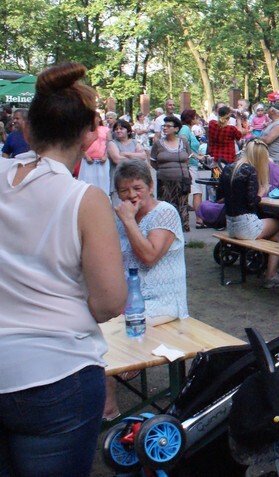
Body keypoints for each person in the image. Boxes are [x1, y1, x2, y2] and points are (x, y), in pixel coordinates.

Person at [0, 63, 127, 476]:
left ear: (28, 129)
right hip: (58, 372)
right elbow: (110, 301)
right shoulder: (85, 200)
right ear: (92, 133)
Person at [105, 159, 189, 419]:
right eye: (124, 191)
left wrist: (129, 221)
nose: (131, 196)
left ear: (151, 186)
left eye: (137, 188)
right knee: (89, 316)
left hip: (161, 303)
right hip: (128, 298)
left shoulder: (164, 212)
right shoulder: (120, 216)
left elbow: (149, 256)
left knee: (101, 333)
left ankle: (108, 407)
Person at [218, 140, 279, 289]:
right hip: (246, 226)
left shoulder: (228, 168)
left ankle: (270, 272)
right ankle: (270, 276)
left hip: (230, 225)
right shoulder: (250, 171)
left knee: (278, 236)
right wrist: (262, 191)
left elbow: (219, 198)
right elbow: (252, 203)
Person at [150, 114, 192, 231]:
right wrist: (165, 170)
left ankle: (181, 234)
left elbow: (187, 159)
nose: (165, 128)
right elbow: (153, 162)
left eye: (168, 126)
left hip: (182, 180)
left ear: (176, 129)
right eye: (164, 126)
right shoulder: (158, 144)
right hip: (164, 182)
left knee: (182, 206)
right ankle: (166, 233)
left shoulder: (183, 142)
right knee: (165, 207)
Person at [78, 115, 112, 196]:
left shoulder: (105, 129)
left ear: (99, 118)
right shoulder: (85, 130)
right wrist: (86, 156)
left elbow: (109, 143)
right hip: (88, 160)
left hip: (102, 160)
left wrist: (106, 155)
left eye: (96, 117)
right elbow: (80, 144)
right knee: (87, 181)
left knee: (103, 182)